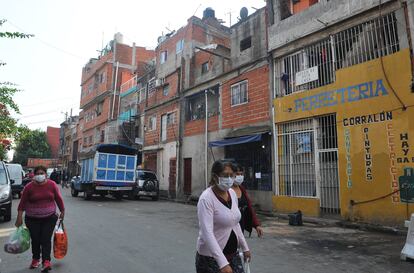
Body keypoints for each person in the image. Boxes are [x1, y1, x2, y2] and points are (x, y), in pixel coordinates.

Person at [196, 160, 251, 273]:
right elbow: (207, 233)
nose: (230, 179)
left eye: (232, 175)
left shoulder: (232, 193)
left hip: (233, 255)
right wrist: (223, 263)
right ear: (215, 177)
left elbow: (234, 223)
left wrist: (245, 247)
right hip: (210, 258)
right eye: (225, 175)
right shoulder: (206, 199)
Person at [15, 165, 65, 272]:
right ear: (34, 175)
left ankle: (46, 261)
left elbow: (58, 198)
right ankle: (36, 259)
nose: (39, 175)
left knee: (45, 239)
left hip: (49, 217)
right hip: (32, 219)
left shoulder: (52, 185)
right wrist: (19, 217)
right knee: (36, 240)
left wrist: (62, 211)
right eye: (37, 174)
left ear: (46, 174)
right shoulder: (29, 187)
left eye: (42, 173)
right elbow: (22, 203)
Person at [232, 163, 263, 238]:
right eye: (237, 174)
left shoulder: (242, 189)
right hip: (229, 229)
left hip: (241, 228)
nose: (239, 176)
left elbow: (249, 208)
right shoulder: (226, 191)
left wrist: (256, 225)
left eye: (241, 174)